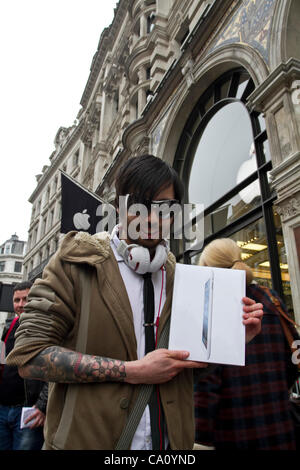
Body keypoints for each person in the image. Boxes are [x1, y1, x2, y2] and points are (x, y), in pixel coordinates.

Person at [6, 155, 263, 450]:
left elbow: (184, 369)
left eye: (164, 208)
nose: (151, 218)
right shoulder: (74, 263)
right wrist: (131, 370)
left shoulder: (183, 278)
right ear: (119, 207)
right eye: (140, 204)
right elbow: (28, 356)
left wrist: (226, 341)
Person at [194, 238, 300, 450]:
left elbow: (205, 385)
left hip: (234, 432)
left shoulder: (211, 308)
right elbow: (294, 357)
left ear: (206, 269)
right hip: (281, 429)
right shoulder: (271, 298)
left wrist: (198, 438)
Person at [0, 281, 48, 450]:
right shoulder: (9, 326)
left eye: (25, 299)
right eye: (16, 300)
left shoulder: (46, 328)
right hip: (3, 409)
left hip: (27, 412)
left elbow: (54, 370)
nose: (20, 305)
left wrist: (42, 406)